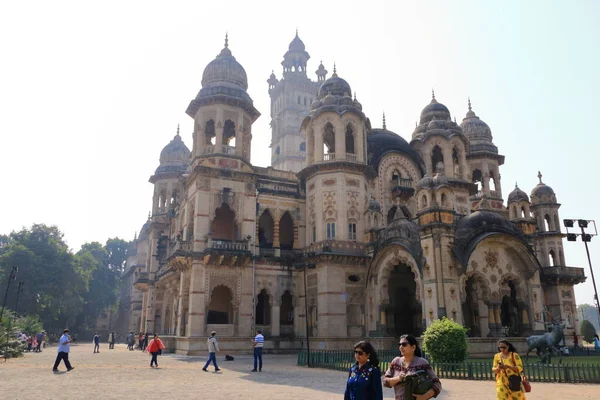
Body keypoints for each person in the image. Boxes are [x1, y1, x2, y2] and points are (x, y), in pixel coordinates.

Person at [383, 334, 442, 400]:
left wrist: (424, 397)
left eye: (404, 344)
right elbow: (385, 382)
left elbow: (437, 384)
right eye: (399, 344)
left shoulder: (422, 363)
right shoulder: (396, 362)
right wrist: (399, 378)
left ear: (413, 347)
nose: (401, 347)